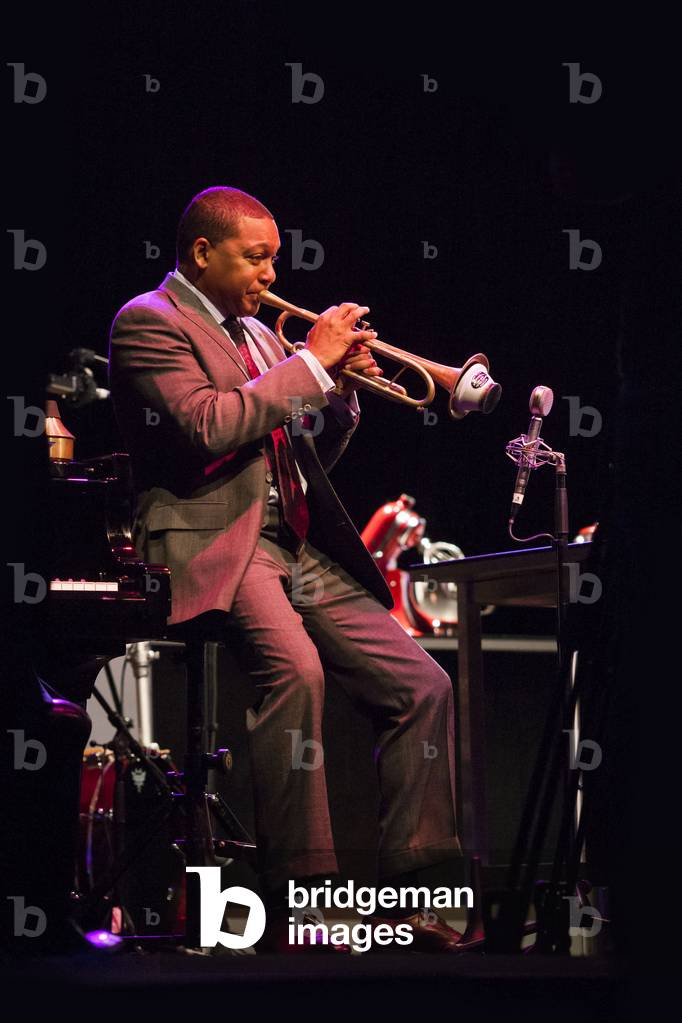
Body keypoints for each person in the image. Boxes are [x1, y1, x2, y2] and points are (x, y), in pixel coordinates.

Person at [109, 186, 463, 952]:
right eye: (255, 258)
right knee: (297, 671)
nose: (271, 275)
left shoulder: (263, 339)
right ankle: (304, 903)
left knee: (424, 684)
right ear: (203, 252)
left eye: (275, 257)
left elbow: (300, 451)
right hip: (214, 540)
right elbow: (208, 426)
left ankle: (418, 899)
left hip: (293, 544)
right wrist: (310, 363)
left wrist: (340, 394)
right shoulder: (148, 322)